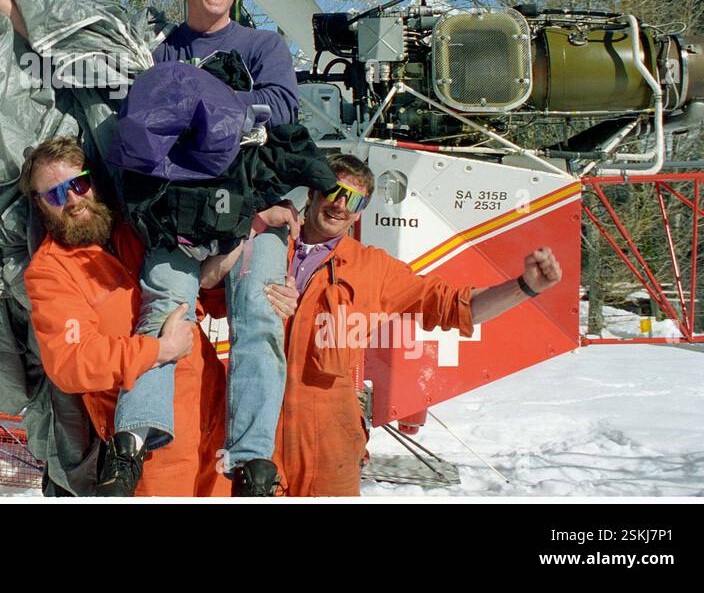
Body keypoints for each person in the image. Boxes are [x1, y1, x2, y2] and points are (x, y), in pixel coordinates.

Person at [0, 0, 303, 497]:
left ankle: (254, 456)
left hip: (251, 206)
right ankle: (136, 436)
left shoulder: (262, 46)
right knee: (162, 306)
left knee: (259, 316)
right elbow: (79, 46)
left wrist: (209, 103)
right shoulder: (153, 51)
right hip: (177, 219)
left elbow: (282, 104)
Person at [226, 152, 564, 496]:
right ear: (312, 193)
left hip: (329, 451)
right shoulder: (264, 244)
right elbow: (207, 292)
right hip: (251, 444)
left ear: (360, 212)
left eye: (355, 200)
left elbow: (455, 307)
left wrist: (525, 286)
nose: (341, 205)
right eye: (334, 191)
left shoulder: (375, 269)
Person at [18, 136, 230, 497]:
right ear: (40, 206)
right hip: (150, 442)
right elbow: (73, 362)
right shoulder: (51, 271)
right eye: (55, 195)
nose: (72, 200)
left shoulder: (137, 226)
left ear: (92, 181)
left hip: (215, 415)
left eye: (78, 184)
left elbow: (207, 299)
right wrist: (157, 350)